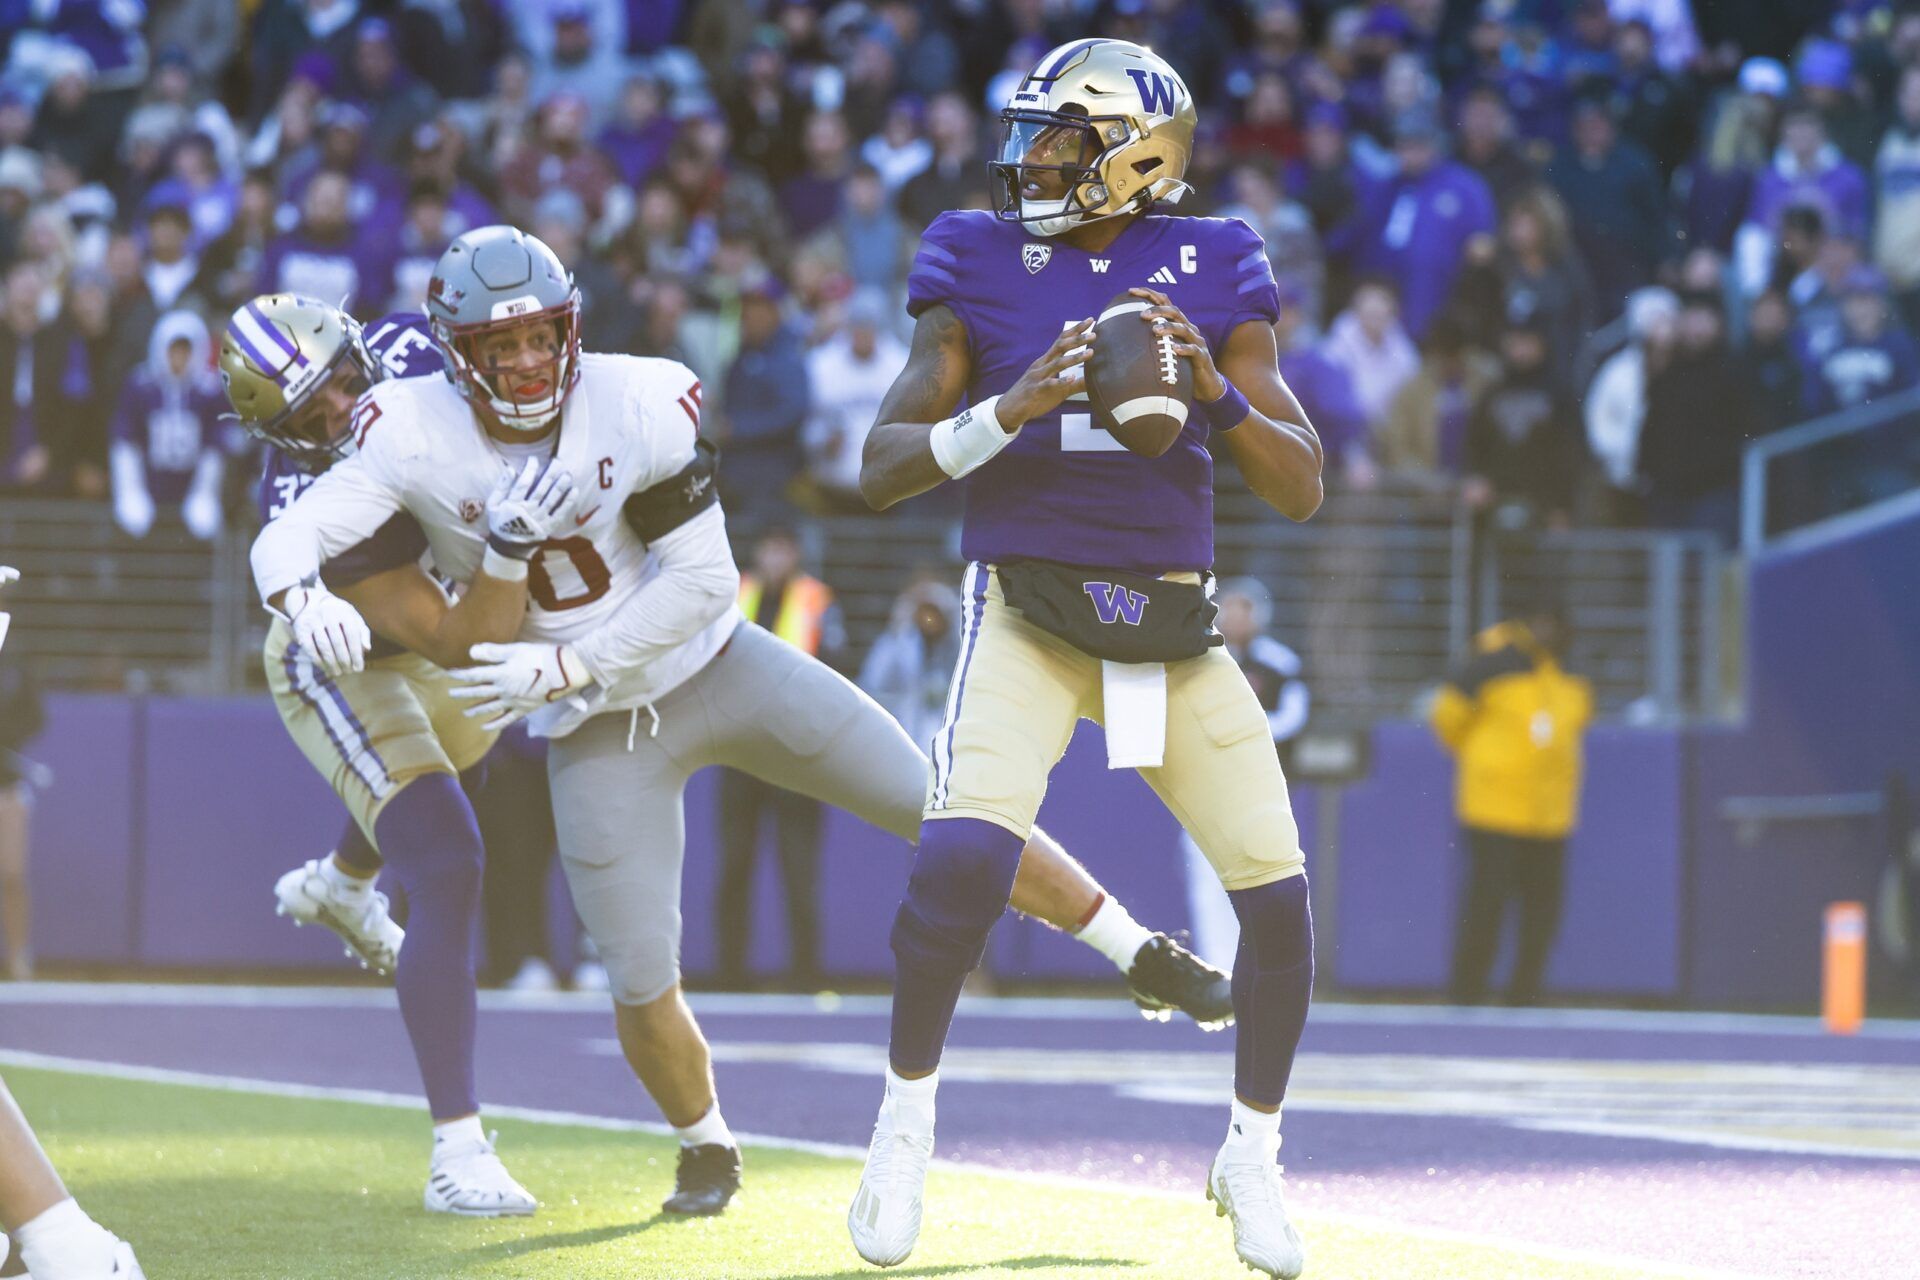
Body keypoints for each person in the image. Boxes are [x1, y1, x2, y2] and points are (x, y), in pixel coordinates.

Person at [249, 225, 1236, 1227]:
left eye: (541, 336)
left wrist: (575, 655)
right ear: (458, 354)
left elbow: (708, 580)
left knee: (942, 803)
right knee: (639, 978)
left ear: (571, 327)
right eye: (499, 348)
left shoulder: (636, 398)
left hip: (718, 661)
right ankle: (707, 1140)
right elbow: (290, 530)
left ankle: (1142, 952)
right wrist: (298, 589)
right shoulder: (403, 427)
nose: (526, 362)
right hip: (598, 729)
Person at [848, 41, 1321, 1278]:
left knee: (1278, 904)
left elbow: (1302, 478)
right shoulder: (973, 251)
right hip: (1028, 605)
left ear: (1137, 154)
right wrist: (1003, 410)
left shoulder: (1217, 255)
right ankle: (905, 1122)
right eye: (1032, 136)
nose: (1031, 161)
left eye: (1060, 139)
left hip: (1173, 623)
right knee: (959, 855)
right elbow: (882, 461)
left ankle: (1253, 1153)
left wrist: (1215, 389)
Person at [221, 292, 557, 1218]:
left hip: (447, 637)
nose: (336, 413)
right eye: (307, 415)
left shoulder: (426, 348)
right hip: (349, 660)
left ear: (355, 344)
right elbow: (448, 639)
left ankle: (339, 883)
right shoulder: (308, 503)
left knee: (472, 762)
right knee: (448, 859)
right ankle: (458, 1151)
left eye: (335, 384)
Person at [1430, 596, 1593, 1006]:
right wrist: (1491, 767)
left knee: (1542, 913)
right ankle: (1466, 992)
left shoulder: (1570, 668)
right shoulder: (1492, 659)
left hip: (1550, 815)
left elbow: (1576, 725)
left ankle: (1526, 993)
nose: (1545, 629)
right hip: (1494, 810)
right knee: (1486, 906)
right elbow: (1447, 719)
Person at [715, 527, 846, 989]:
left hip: (795, 755)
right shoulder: (734, 595)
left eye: (782, 548)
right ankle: (730, 972)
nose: (774, 557)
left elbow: (835, 668)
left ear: (795, 553)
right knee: (734, 864)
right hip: (741, 751)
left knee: (798, 867)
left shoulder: (817, 600)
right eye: (767, 547)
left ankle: (806, 973)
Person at [1182, 579, 1308, 974]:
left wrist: (1241, 730)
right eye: (1230, 607)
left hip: (1260, 784)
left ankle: (1263, 964)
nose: (1235, 617)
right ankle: (1216, 964)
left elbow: (1294, 716)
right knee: (1205, 875)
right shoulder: (1199, 651)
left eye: (1245, 609)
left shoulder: (1279, 662)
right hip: (1205, 782)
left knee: (1264, 873)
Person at [109, 311, 232, 541]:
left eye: (185, 351)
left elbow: (215, 445)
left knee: (198, 534)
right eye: (173, 350)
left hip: (191, 482)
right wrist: (130, 491)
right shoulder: (141, 384)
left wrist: (205, 494)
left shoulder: (209, 389)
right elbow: (125, 438)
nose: (179, 358)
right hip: (150, 480)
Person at [801, 290, 907, 513]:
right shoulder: (821, 364)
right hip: (832, 489)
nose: (863, 334)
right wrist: (822, 441)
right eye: (858, 327)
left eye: (869, 327)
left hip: (890, 491)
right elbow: (804, 427)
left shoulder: (901, 363)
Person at [859, 573, 962, 752]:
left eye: (935, 614)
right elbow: (874, 681)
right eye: (924, 614)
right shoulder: (902, 643)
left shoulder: (956, 647)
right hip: (903, 739)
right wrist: (898, 630)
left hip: (947, 742)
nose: (930, 621)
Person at [0, 650, 43, 981]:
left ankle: (18, 956)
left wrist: (6, 733)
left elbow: (36, 716)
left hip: (7, 788)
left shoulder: (14, 663)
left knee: (13, 874)